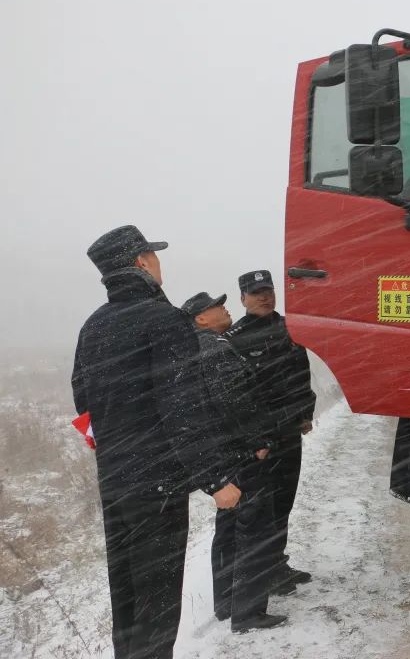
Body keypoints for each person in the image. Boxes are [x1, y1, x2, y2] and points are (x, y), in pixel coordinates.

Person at [71, 225, 241, 659]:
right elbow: (182, 407)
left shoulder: (93, 326)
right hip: (156, 486)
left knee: (126, 596)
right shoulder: (164, 321)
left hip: (115, 484)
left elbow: (84, 404)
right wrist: (215, 478)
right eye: (155, 256)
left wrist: (118, 446)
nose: (159, 263)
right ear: (142, 263)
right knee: (157, 602)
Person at [181, 291, 286, 633]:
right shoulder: (215, 349)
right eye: (216, 306)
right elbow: (235, 401)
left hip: (222, 453)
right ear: (201, 318)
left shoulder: (196, 348)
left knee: (228, 529)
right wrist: (258, 441)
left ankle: (227, 602)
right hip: (240, 453)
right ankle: (249, 612)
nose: (225, 308)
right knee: (255, 531)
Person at [225, 270, 317, 593]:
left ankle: (276, 565)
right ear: (242, 299)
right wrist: (255, 436)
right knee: (263, 507)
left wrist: (306, 413)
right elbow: (238, 396)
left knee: (285, 500)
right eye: (255, 292)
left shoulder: (289, 328)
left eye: (268, 290)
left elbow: (300, 373)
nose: (264, 297)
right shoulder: (235, 338)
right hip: (261, 440)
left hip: (290, 431)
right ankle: (259, 574)